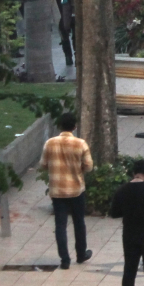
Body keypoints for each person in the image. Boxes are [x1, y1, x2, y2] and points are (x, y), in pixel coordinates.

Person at [39, 113, 94, 270]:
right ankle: (81, 254)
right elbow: (89, 166)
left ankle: (64, 259)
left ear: (59, 126)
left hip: (57, 190)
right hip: (76, 189)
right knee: (79, 222)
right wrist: (79, 169)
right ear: (74, 126)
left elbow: (42, 165)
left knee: (60, 225)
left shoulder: (50, 143)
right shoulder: (81, 144)